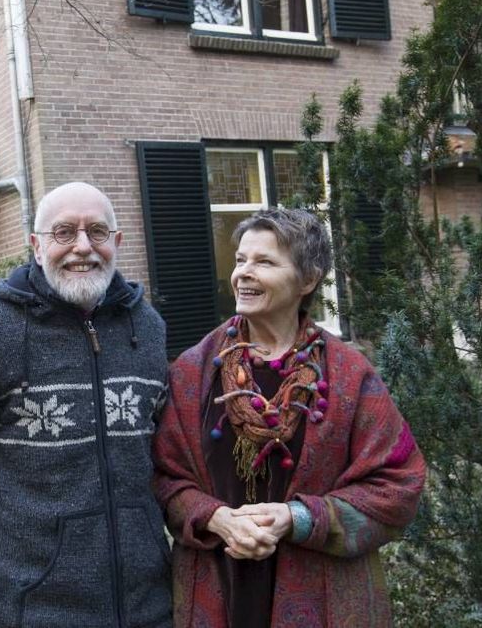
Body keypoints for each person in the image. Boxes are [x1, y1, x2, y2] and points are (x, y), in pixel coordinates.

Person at [152, 208, 426, 627]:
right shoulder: (193, 370)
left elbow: (399, 482)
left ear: (308, 279)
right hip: (216, 586)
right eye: (241, 260)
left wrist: (297, 519)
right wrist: (216, 518)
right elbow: (164, 477)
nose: (243, 273)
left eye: (264, 262)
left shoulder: (351, 376)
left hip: (323, 597)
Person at [0, 182, 173, 628]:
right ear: (37, 246)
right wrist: (29, 535)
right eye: (64, 232)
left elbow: (159, 449)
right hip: (28, 607)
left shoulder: (148, 329)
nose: (83, 246)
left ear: (117, 243)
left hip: (147, 605)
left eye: (97, 231)